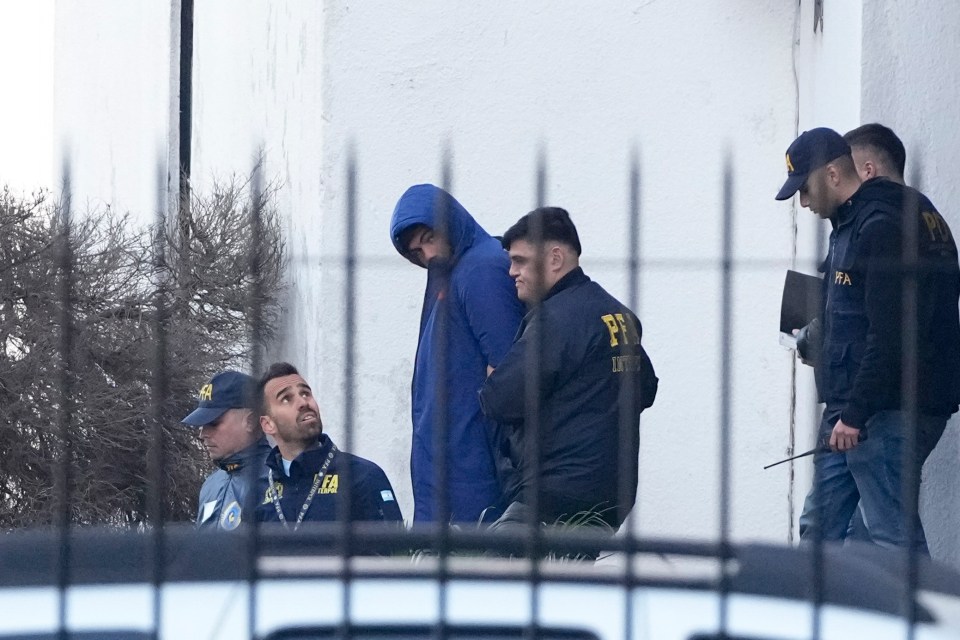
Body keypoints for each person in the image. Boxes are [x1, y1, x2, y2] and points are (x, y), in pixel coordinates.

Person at [775, 127, 960, 549]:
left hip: (882, 409)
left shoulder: (880, 225)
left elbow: (892, 333)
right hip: (858, 407)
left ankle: (918, 615)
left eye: (805, 189)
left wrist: (855, 414)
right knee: (821, 527)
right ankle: (810, 612)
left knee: (890, 539)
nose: (803, 203)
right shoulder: (865, 220)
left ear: (833, 174)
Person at [479, 207, 658, 531]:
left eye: (520, 260)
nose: (511, 272)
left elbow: (500, 400)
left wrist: (494, 376)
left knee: (488, 579)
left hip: (551, 500)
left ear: (555, 259)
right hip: (610, 500)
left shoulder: (555, 320)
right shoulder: (618, 315)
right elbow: (646, 389)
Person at [390, 184, 525, 524]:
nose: (427, 254)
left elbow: (508, 369)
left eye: (429, 237)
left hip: (474, 471)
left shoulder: (482, 268)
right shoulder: (456, 271)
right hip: (453, 467)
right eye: (416, 251)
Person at [254, 362, 404, 528]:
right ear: (268, 424)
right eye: (286, 399)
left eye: (305, 393)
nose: (303, 403)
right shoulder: (257, 491)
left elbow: (394, 551)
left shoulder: (362, 476)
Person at [181, 370, 271, 531]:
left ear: (250, 421)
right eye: (202, 425)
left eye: (213, 423)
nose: (202, 434)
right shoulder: (211, 484)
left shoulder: (279, 479)